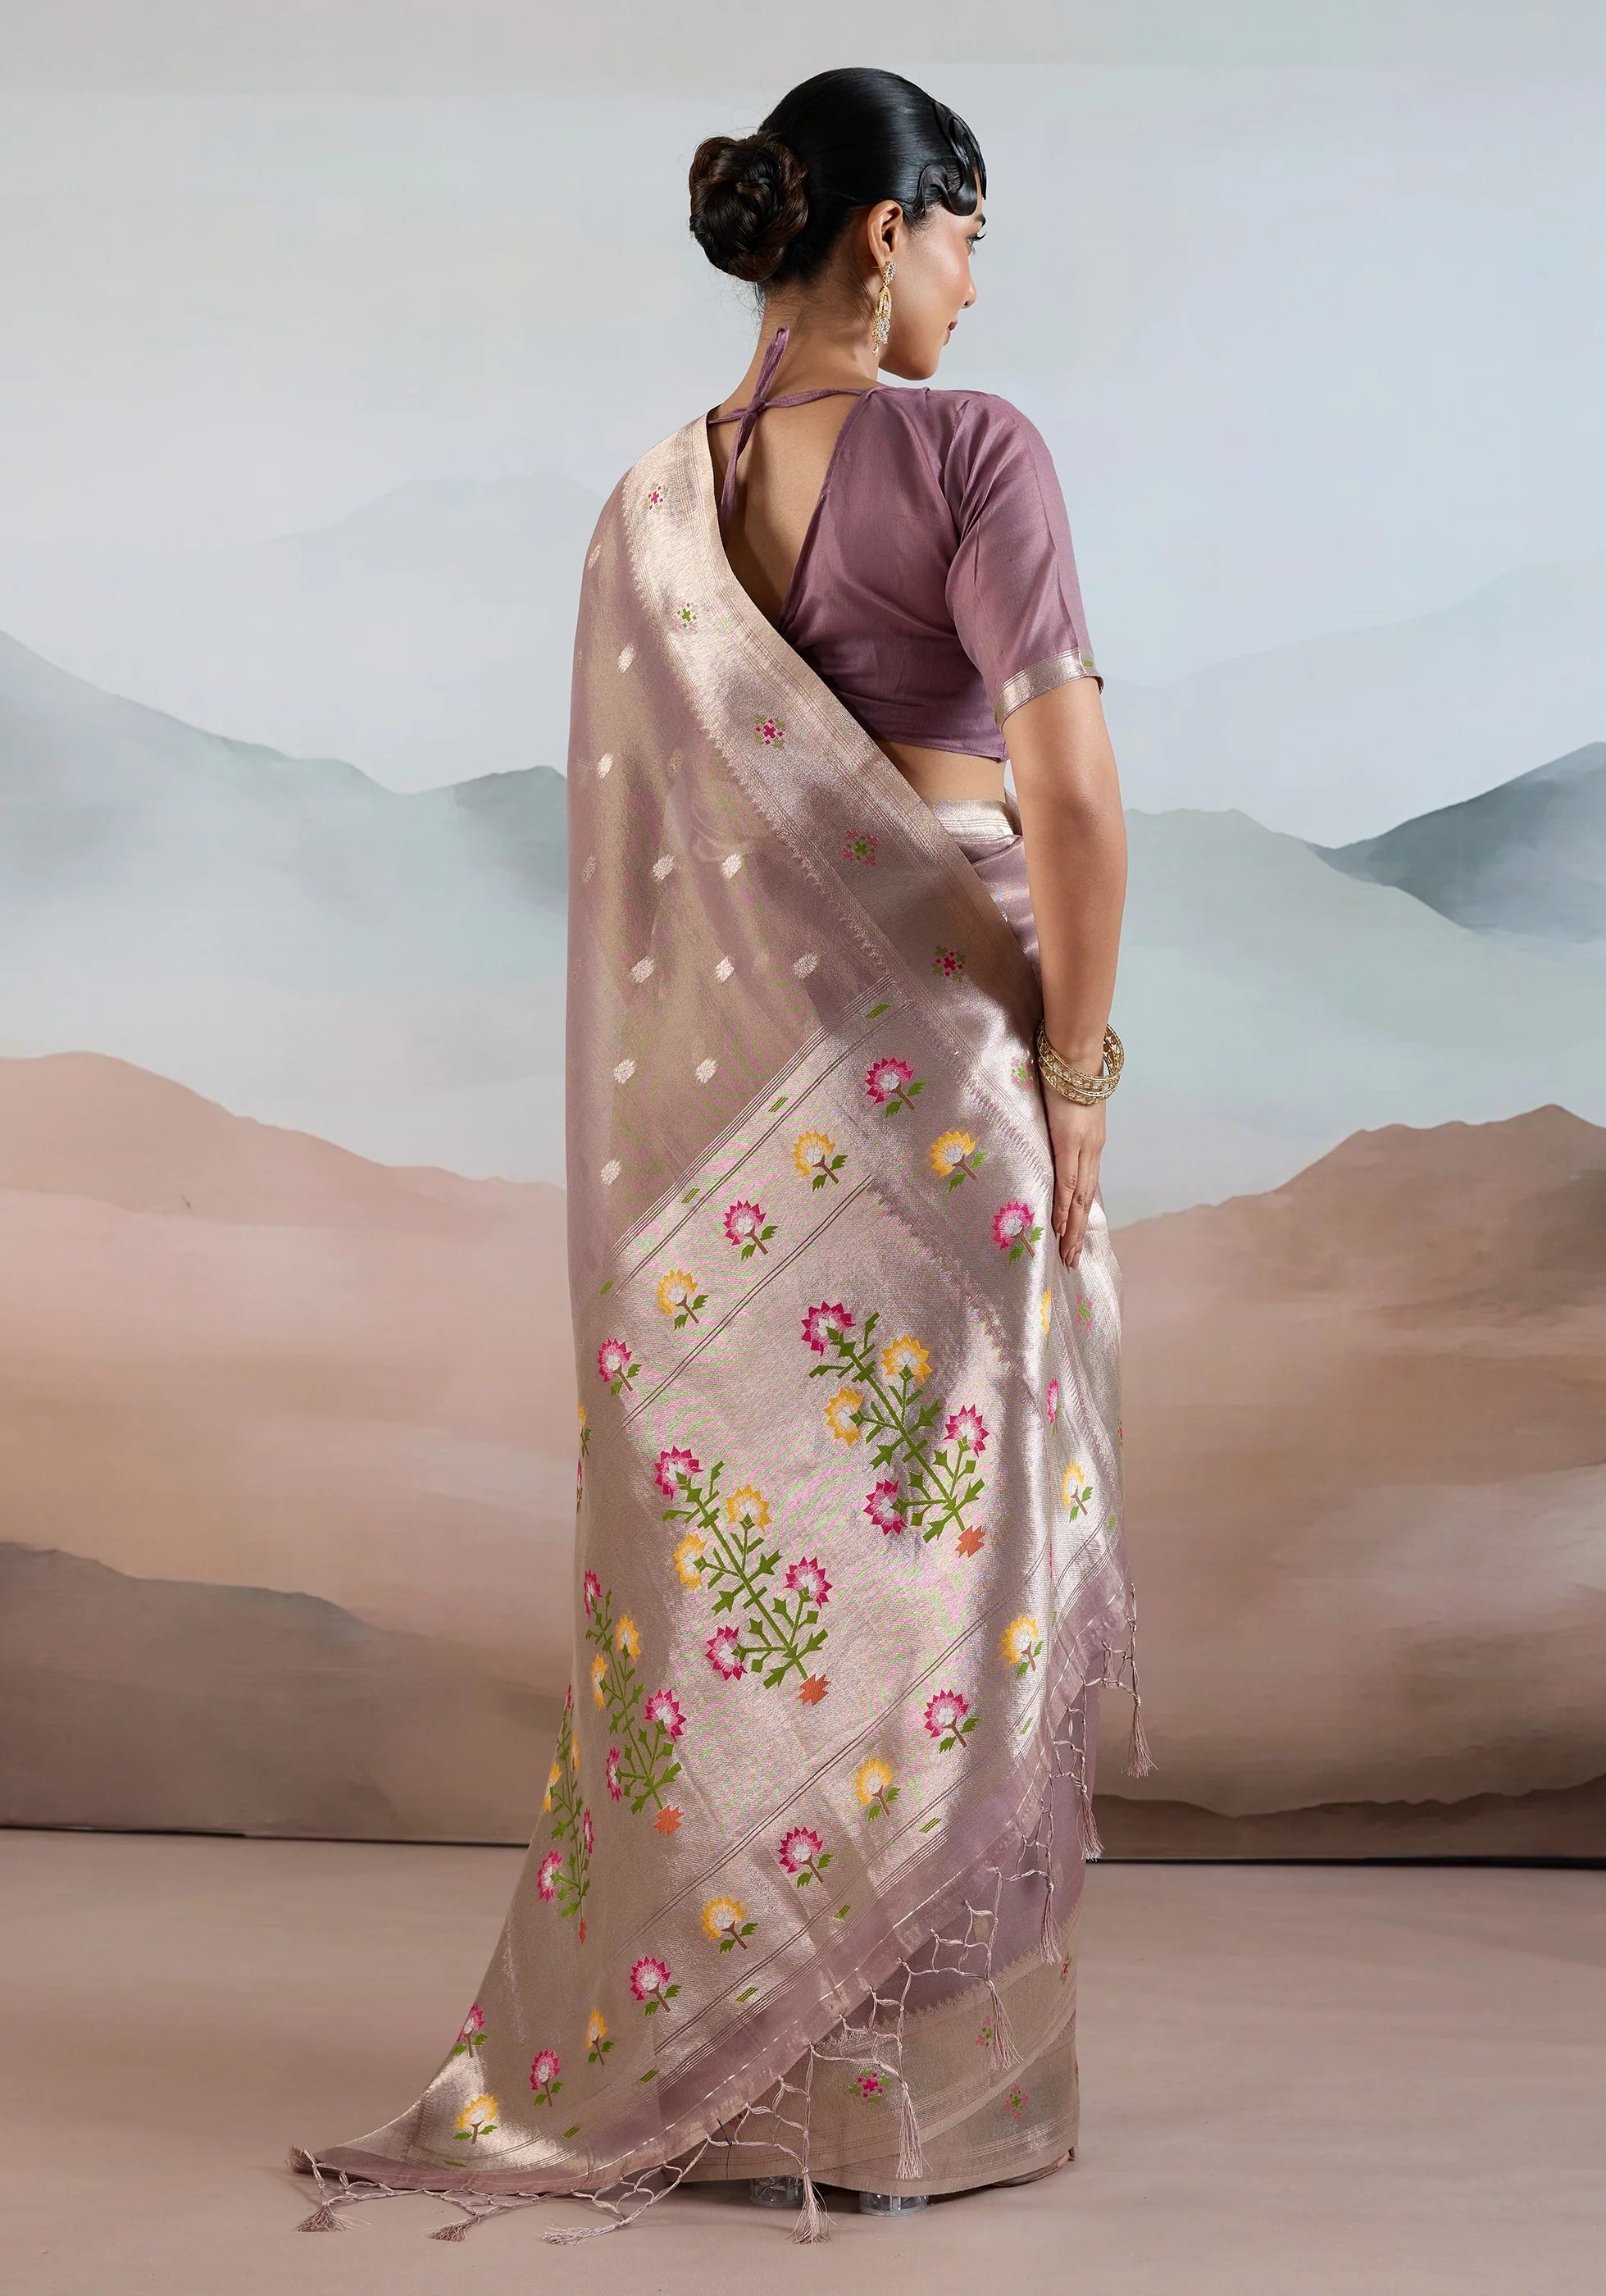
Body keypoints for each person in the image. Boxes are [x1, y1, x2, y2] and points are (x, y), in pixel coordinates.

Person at [288, 64, 1147, 2247]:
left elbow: (656, 894)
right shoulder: (973, 452)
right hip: (946, 1085)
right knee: (959, 1589)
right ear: (885, 231)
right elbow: (1073, 802)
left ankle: (741, 2078)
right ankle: (903, 2108)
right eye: (967, 235)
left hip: (730, 1133)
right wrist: (1078, 1072)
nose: (973, 286)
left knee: (768, 1603)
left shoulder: (647, 511)